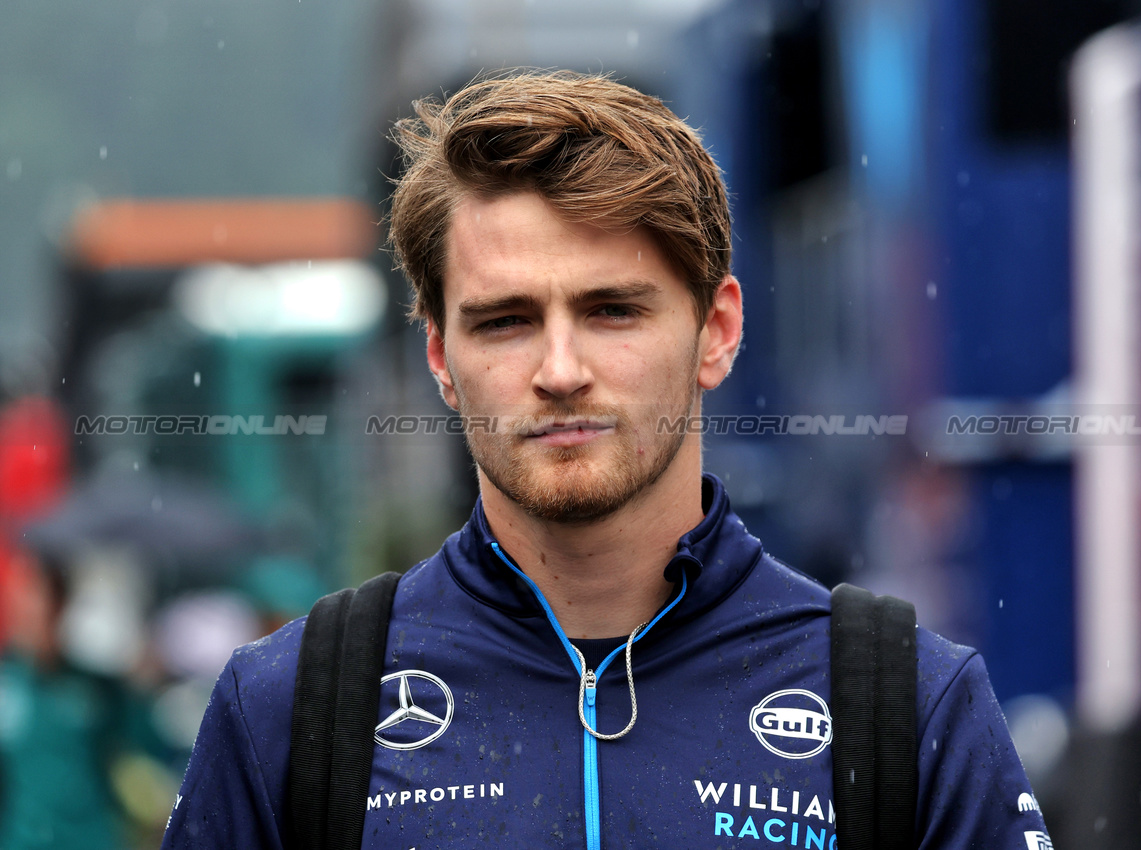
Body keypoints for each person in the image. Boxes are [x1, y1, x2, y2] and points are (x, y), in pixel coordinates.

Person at [161, 71, 1051, 849]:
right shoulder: (295, 706)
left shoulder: (903, 705)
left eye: (612, 311)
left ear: (718, 332)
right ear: (439, 357)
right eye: (505, 320)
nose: (558, 372)